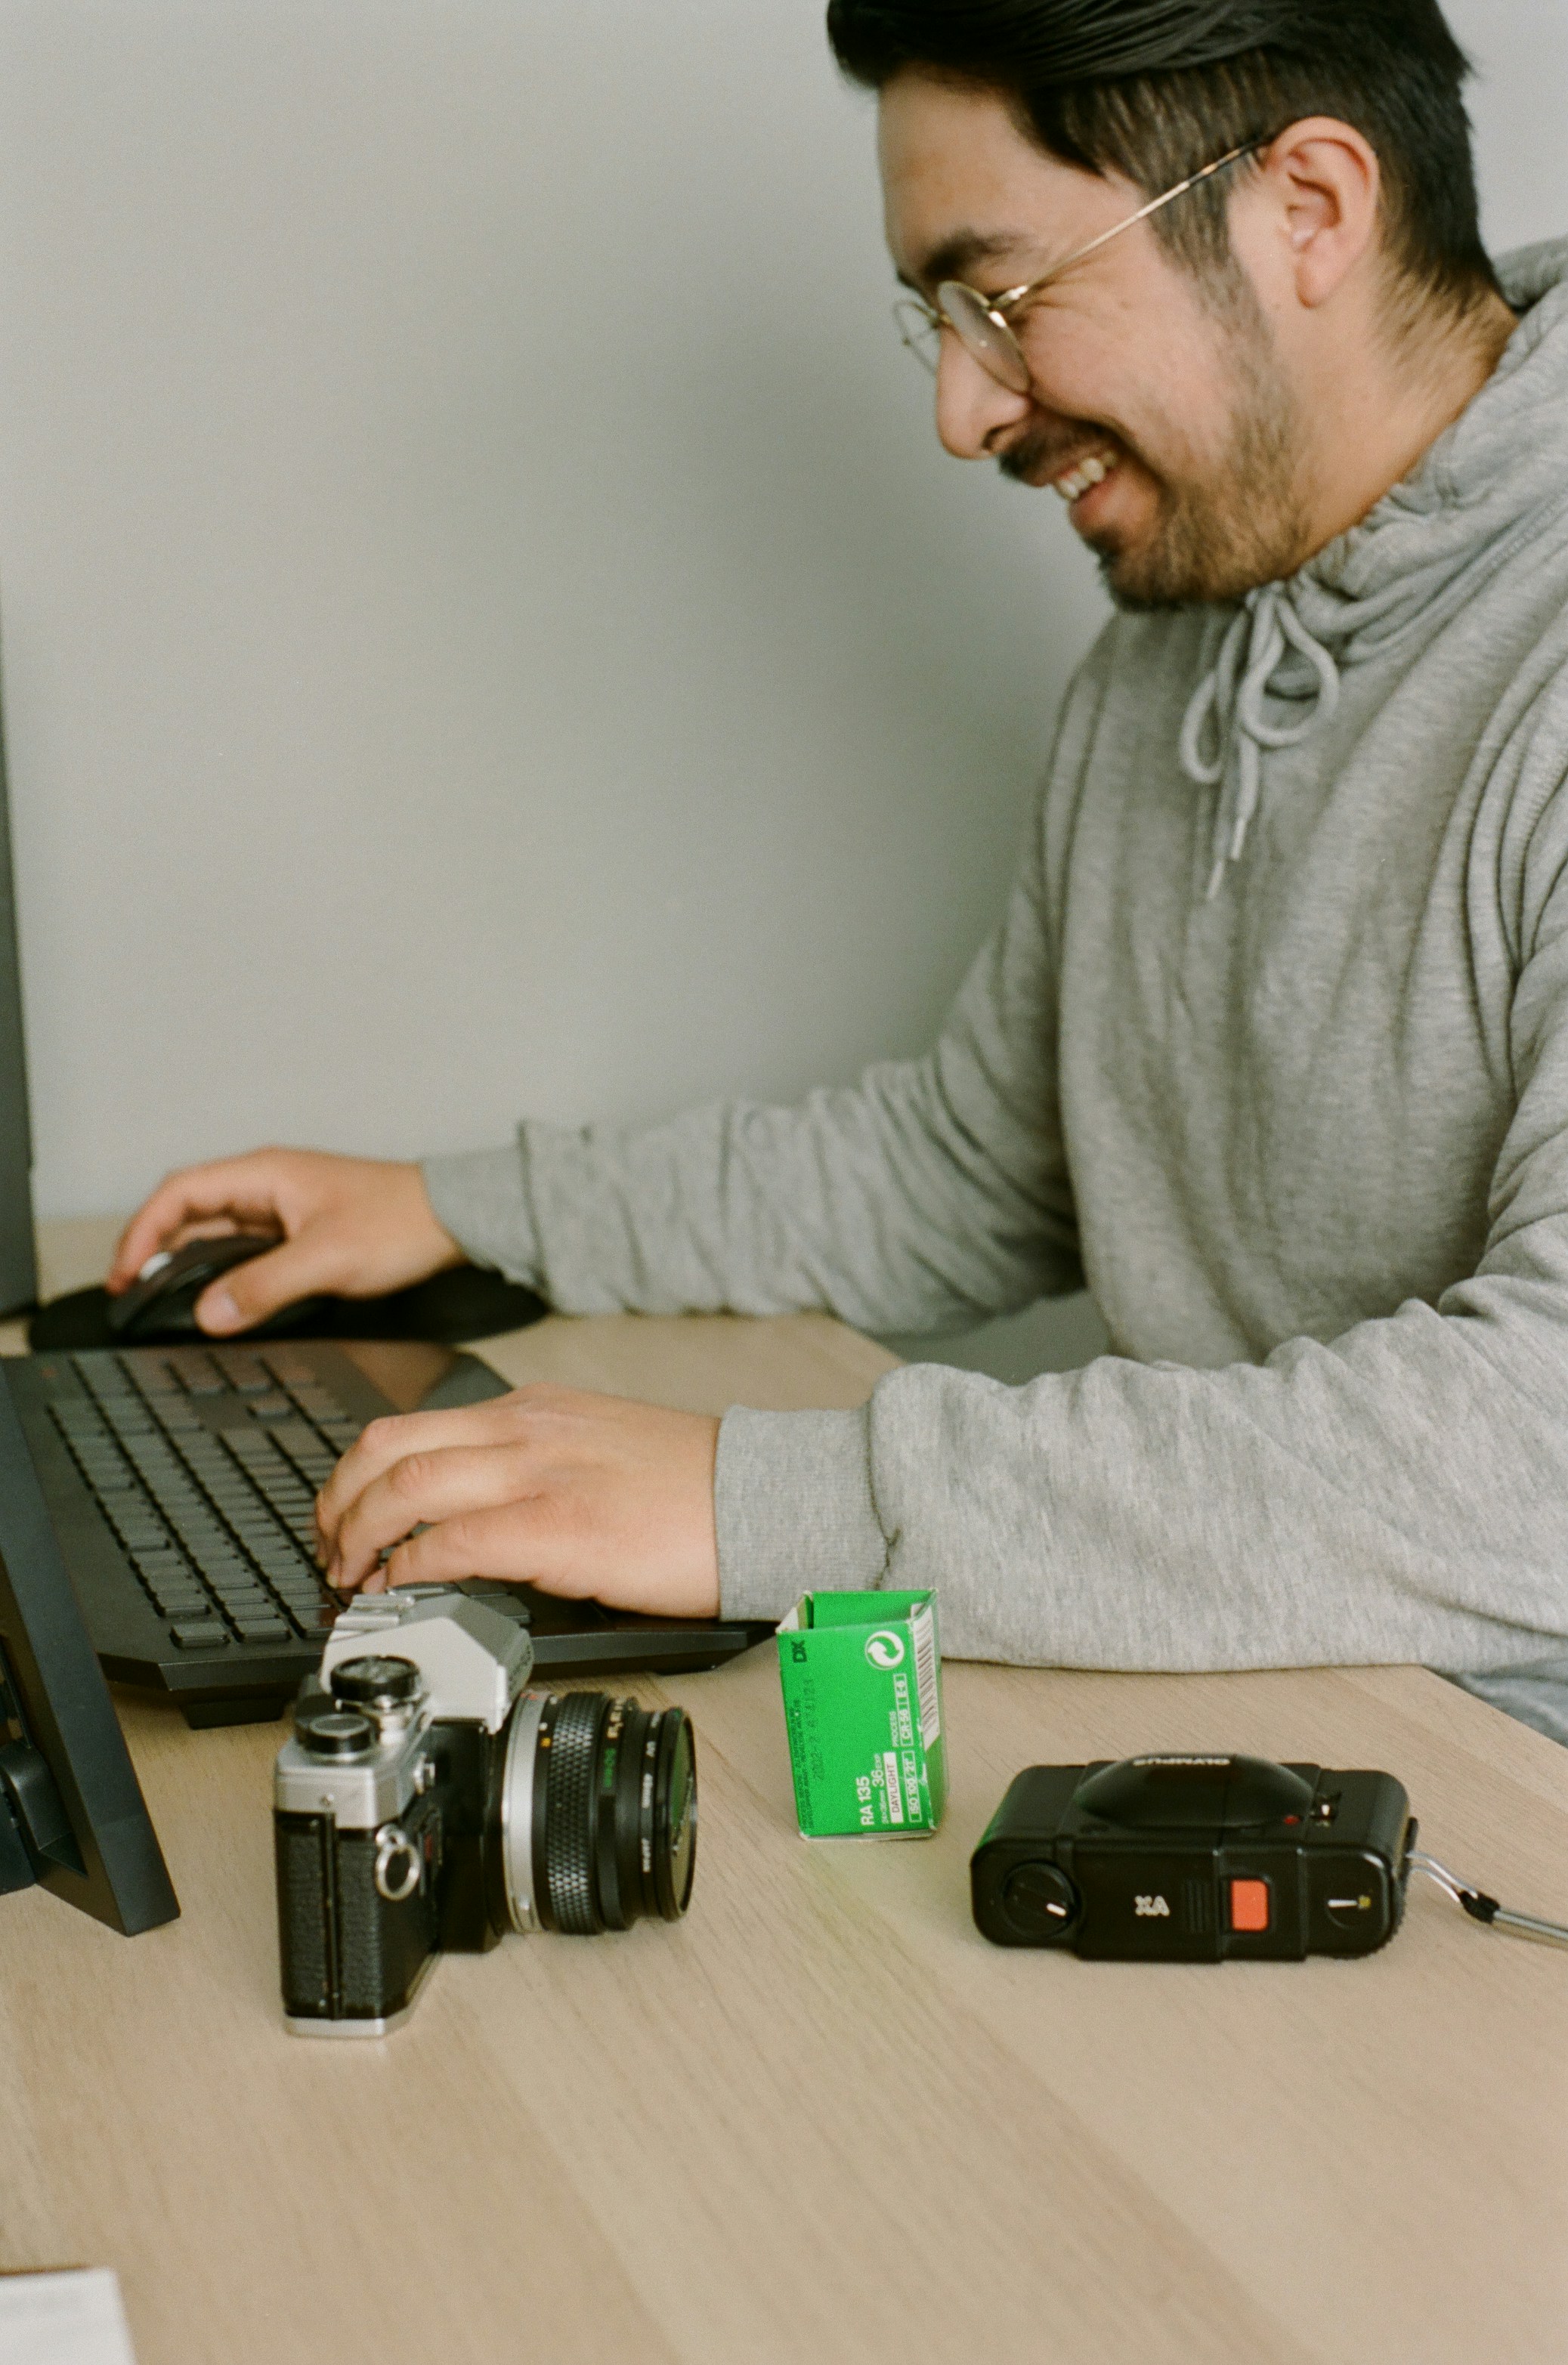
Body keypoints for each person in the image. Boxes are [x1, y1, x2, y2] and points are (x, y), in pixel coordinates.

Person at [107, 0, 1568, 1724]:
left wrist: (768, 1502)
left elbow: (1538, 1450)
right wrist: (451, 1208)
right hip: (1269, 1707)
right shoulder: (1166, 660)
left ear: (1308, 209)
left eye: (1003, 298)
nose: (963, 408)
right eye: (936, 322)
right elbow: (971, 1170)